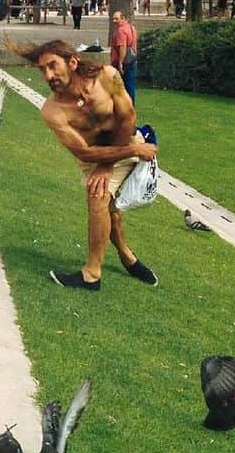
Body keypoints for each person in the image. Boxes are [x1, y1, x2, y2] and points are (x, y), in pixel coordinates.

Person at [17, 39, 159, 291]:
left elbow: (127, 117)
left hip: (124, 140)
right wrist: (107, 163)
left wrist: (110, 164)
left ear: (72, 62)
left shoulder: (108, 76)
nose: (48, 75)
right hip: (93, 157)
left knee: (99, 197)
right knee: (107, 207)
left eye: (52, 66)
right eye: (42, 70)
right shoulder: (52, 111)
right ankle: (127, 256)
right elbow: (83, 151)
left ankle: (91, 274)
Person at [110, 8, 139, 104]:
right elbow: (133, 45)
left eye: (116, 19)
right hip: (132, 59)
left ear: (123, 18)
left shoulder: (121, 31)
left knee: (122, 87)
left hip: (124, 61)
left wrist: (120, 62)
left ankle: (125, 108)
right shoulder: (131, 28)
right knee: (130, 85)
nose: (114, 21)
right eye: (113, 19)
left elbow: (123, 47)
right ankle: (130, 107)